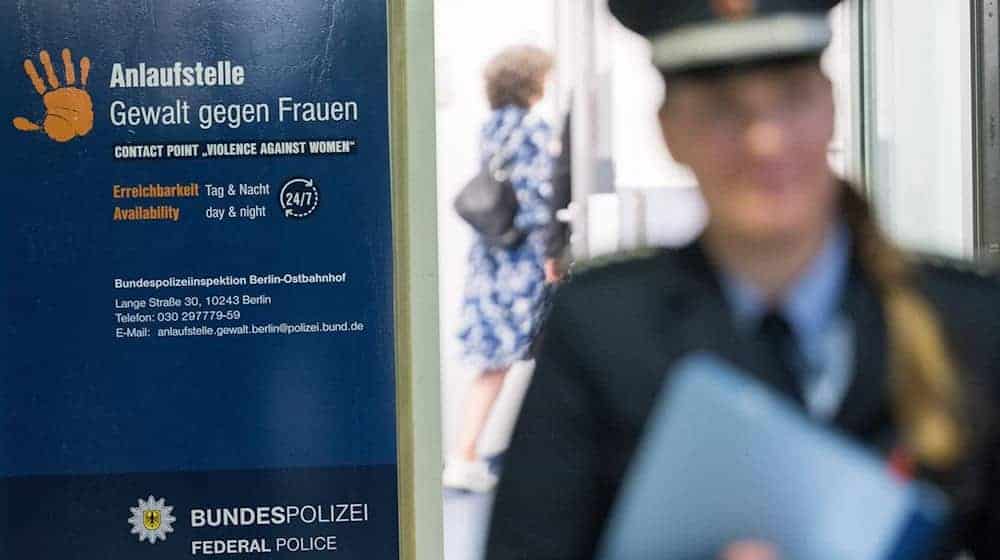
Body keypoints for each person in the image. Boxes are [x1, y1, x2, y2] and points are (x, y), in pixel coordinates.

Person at [485, 1, 1000, 558]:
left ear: (829, 106)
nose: (765, 142)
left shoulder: (969, 323)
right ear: (669, 132)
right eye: (721, 111)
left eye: (790, 98)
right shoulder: (602, 334)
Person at [446, 45, 555, 493]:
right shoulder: (533, 130)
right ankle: (478, 457)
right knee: (534, 358)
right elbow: (535, 201)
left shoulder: (491, 128)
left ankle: (465, 454)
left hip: (490, 259)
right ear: (532, 82)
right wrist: (553, 253)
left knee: (491, 363)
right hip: (521, 264)